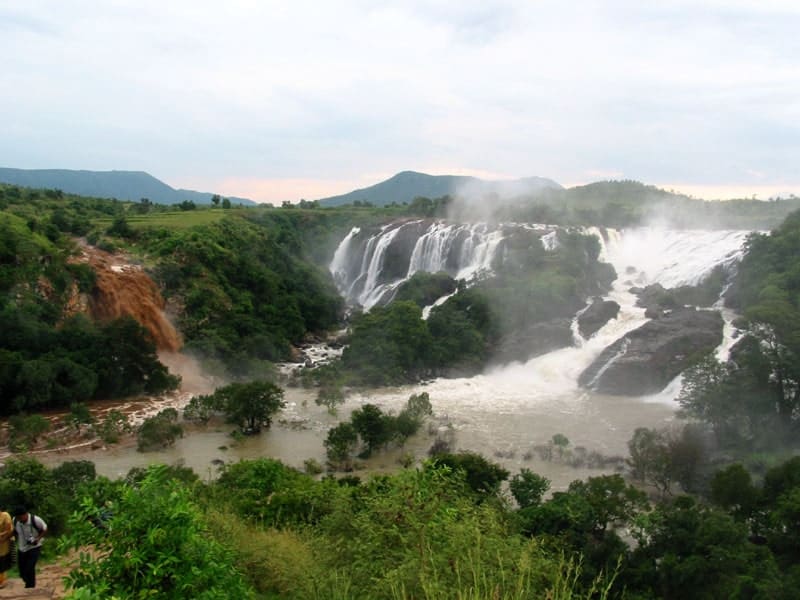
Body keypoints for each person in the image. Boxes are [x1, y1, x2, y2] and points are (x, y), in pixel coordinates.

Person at [13, 506, 47, 589]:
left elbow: (45, 529)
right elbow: (15, 531)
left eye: (20, 517)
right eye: (18, 518)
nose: (19, 519)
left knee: (30, 567)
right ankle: (28, 582)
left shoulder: (35, 520)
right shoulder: (15, 521)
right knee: (22, 571)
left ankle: (30, 587)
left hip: (34, 547)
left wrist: (37, 539)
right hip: (22, 547)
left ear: (25, 514)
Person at [0, 508, 12, 588]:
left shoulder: (5, 515)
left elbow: (8, 529)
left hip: (4, 540)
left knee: (2, 559)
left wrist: (1, 535)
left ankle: (2, 581)